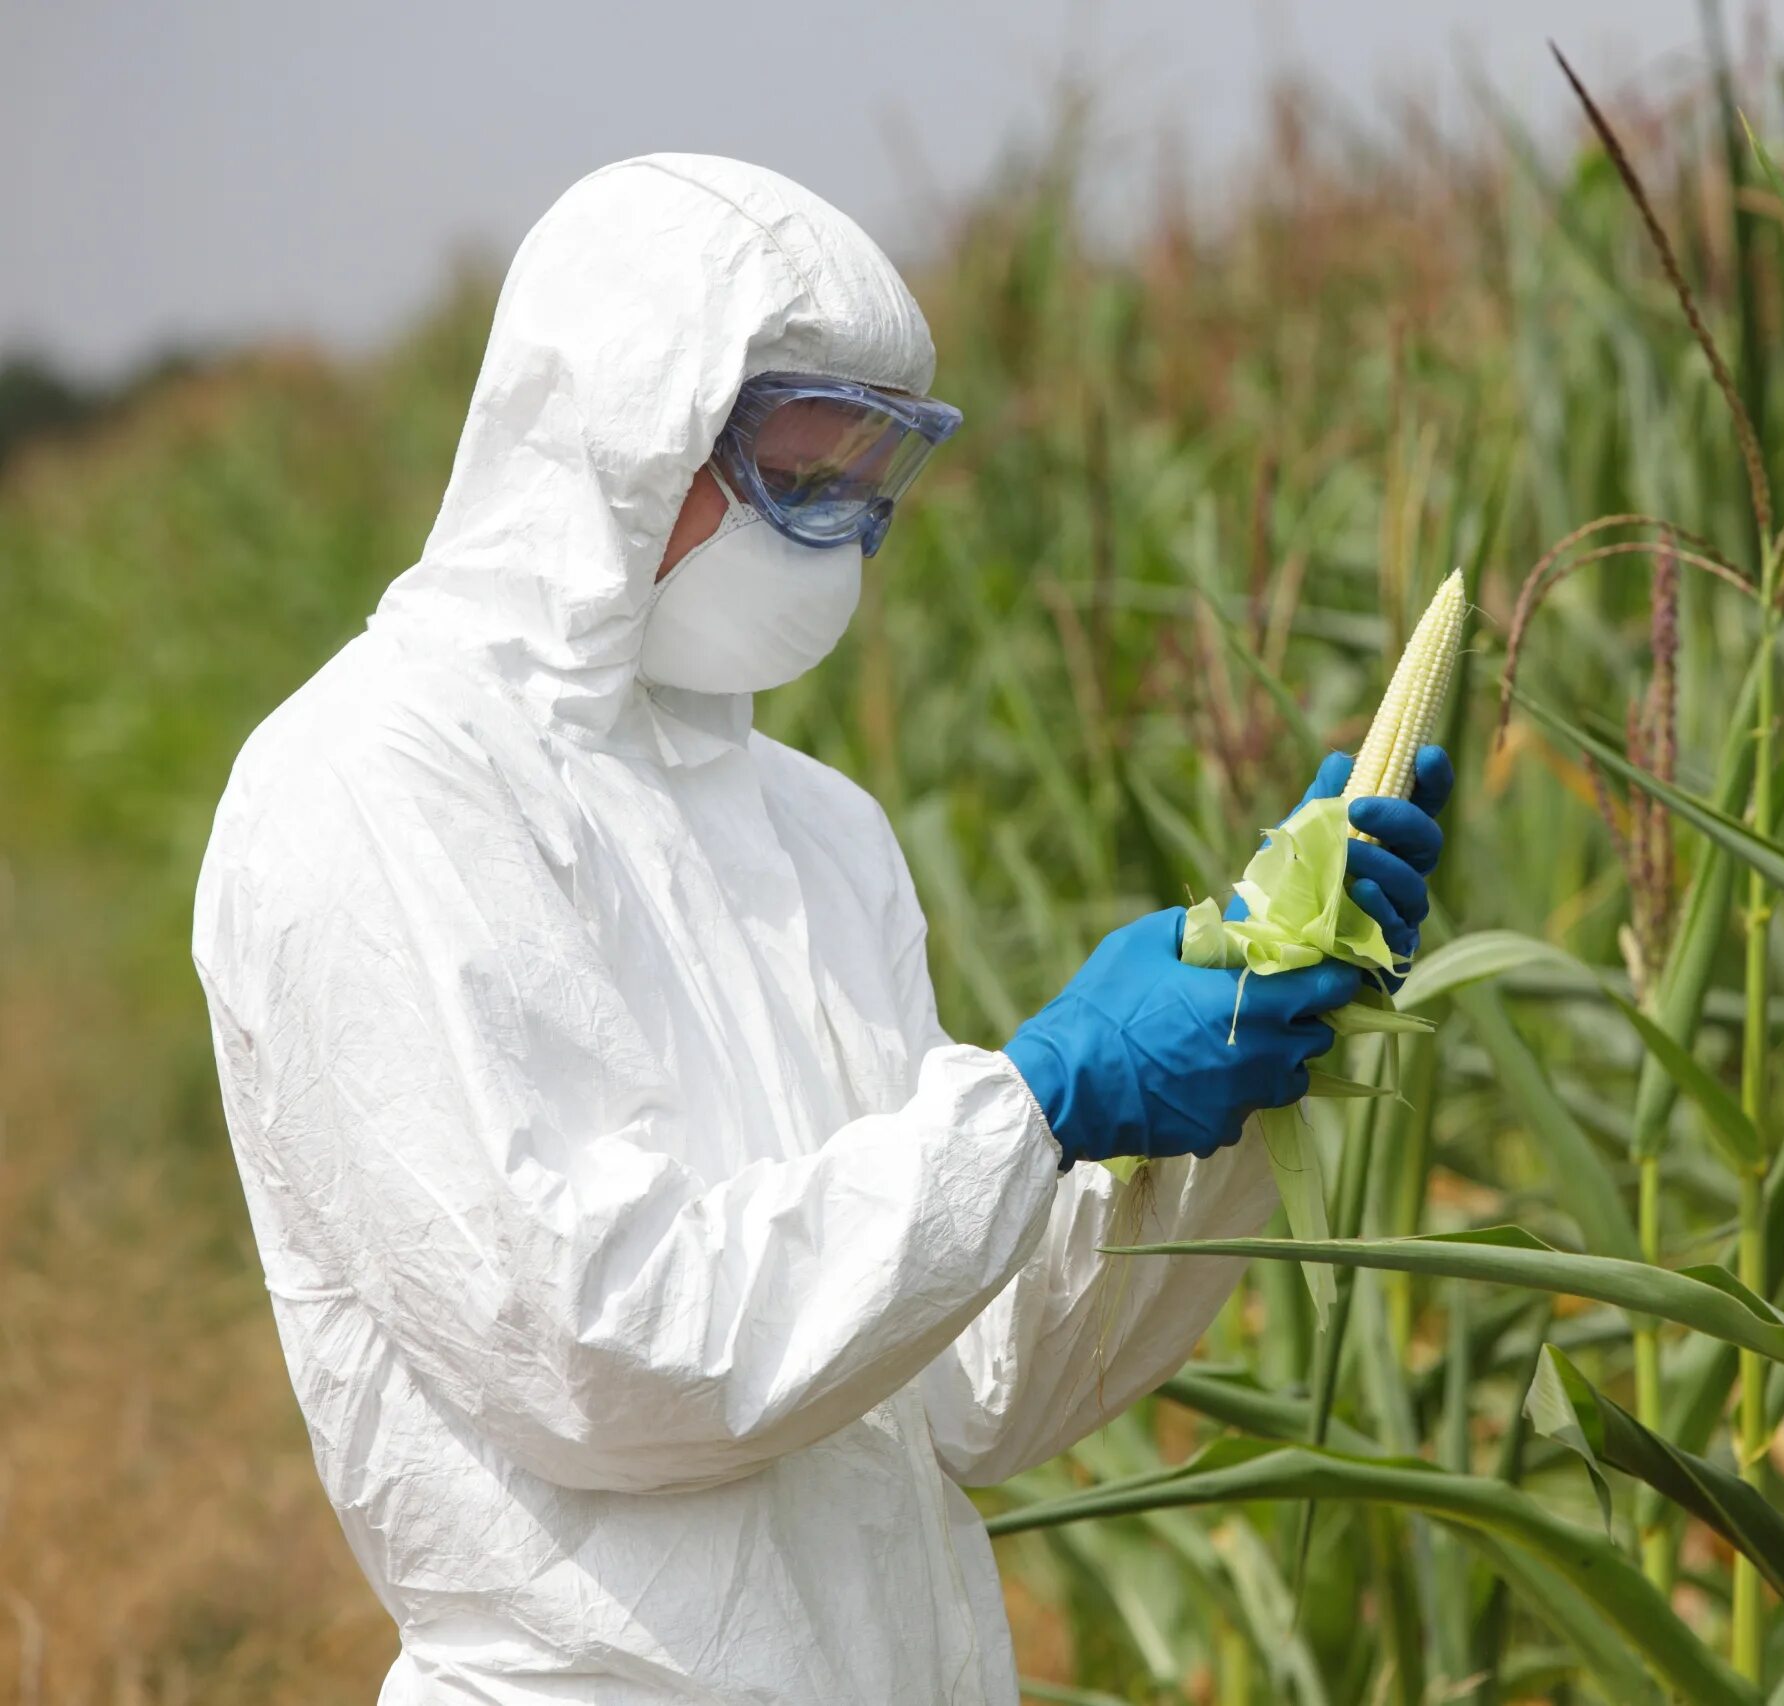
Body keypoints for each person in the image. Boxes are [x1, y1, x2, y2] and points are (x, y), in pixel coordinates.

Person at [190, 154, 1452, 1706]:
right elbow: (597, 1351)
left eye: (877, 475)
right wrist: (1038, 1097)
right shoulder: (371, 783)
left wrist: (1219, 1077)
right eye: (807, 469)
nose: (845, 528)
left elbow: (965, 1388)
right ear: (625, 433)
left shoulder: (812, 825)